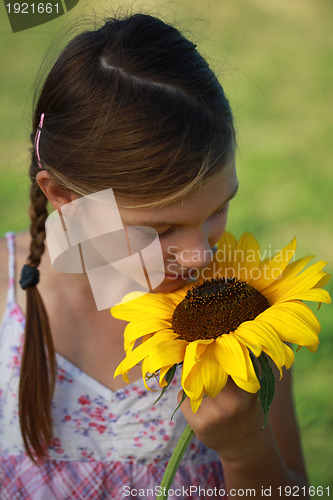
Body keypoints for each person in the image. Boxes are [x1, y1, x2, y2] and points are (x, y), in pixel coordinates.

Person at [0, 13, 309, 499]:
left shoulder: (244, 309)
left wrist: (248, 451)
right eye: (160, 229)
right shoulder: (5, 304)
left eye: (218, 209)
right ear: (62, 195)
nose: (199, 255)